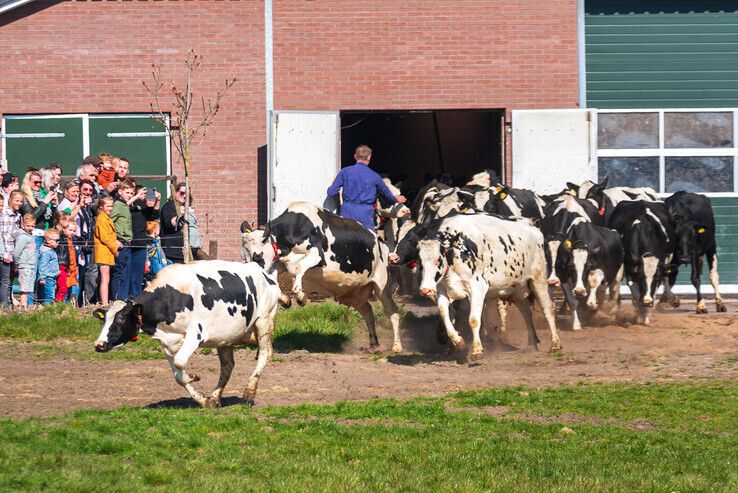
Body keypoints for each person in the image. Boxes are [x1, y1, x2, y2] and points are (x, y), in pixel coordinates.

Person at [326, 145, 408, 229]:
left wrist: (335, 183)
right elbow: (387, 197)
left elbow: (331, 192)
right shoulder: (375, 176)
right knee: (367, 240)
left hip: (347, 213)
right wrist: (396, 199)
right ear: (369, 158)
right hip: (365, 215)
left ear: (355, 156)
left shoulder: (345, 172)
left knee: (347, 240)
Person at [160, 182, 208, 262]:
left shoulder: (183, 208)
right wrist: (180, 215)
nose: (185, 196)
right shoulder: (169, 206)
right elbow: (170, 223)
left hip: (185, 251)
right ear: (175, 192)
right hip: (173, 253)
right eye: (182, 193)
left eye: (187, 194)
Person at [128, 181, 160, 297]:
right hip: (130, 243)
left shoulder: (143, 208)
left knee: (139, 273)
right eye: (142, 194)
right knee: (129, 273)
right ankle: (129, 296)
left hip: (142, 242)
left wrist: (157, 201)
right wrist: (138, 197)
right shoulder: (131, 205)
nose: (144, 197)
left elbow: (153, 215)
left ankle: (136, 296)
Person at [109, 179, 135, 300]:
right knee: (118, 273)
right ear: (120, 191)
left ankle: (123, 298)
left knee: (125, 273)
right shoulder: (118, 205)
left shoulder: (125, 205)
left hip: (127, 243)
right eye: (127, 192)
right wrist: (113, 239)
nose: (130, 195)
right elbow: (109, 222)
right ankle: (116, 298)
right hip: (120, 242)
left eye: (131, 193)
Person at [94, 195, 119, 305]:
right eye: (108, 206)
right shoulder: (102, 219)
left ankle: (105, 301)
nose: (110, 208)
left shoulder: (105, 218)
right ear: (101, 207)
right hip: (103, 253)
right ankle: (104, 303)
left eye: (111, 206)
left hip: (107, 253)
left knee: (106, 278)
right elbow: (105, 237)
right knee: (105, 278)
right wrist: (115, 248)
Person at [76, 179, 98, 305]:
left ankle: (87, 300)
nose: (88, 193)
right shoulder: (77, 205)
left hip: (90, 244)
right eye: (85, 189)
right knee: (81, 274)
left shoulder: (90, 207)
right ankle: (78, 301)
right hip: (79, 245)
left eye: (90, 190)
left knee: (91, 273)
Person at [0, 190, 23, 307]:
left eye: (21, 201)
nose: (19, 203)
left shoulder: (18, 216)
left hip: (12, 252)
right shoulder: (3, 214)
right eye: (16, 200)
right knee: (5, 280)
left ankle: (8, 301)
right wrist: (5, 253)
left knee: (8, 279)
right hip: (4, 252)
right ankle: (4, 305)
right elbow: (3, 235)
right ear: (10, 200)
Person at [13, 214, 37, 308]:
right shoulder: (23, 237)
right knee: (25, 288)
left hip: (30, 265)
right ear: (23, 224)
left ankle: (24, 305)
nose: (30, 228)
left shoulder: (31, 237)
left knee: (28, 288)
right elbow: (16, 253)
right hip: (24, 265)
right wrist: (17, 264)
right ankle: (23, 306)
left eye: (32, 226)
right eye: (28, 225)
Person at [37, 228, 60, 305]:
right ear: (48, 240)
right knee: (49, 296)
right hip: (47, 277)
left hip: (51, 276)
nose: (58, 243)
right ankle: (47, 309)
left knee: (48, 295)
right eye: (56, 240)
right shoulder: (46, 252)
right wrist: (42, 277)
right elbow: (43, 265)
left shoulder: (50, 250)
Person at [51, 211, 70, 302]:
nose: (68, 222)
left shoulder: (64, 234)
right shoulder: (57, 233)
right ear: (61, 220)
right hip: (60, 263)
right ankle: (57, 302)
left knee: (62, 286)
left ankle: (59, 302)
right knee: (62, 287)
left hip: (65, 263)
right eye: (67, 220)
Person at [63, 220, 79, 305]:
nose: (72, 232)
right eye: (70, 230)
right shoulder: (63, 239)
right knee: (65, 286)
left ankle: (71, 304)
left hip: (73, 267)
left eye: (74, 230)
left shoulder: (73, 240)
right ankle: (63, 304)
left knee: (73, 287)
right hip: (67, 267)